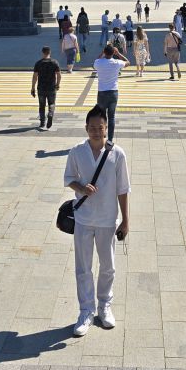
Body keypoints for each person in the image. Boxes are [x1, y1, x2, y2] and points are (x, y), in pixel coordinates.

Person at [64, 105, 130, 337]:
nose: (95, 131)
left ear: (106, 128)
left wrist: (125, 221)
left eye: (99, 127)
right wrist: (81, 188)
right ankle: (86, 311)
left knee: (108, 266)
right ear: (86, 128)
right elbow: (69, 179)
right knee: (83, 267)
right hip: (83, 219)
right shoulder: (77, 151)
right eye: (91, 127)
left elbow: (123, 189)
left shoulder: (117, 154)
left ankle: (104, 305)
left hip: (107, 219)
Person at [93, 42, 128, 142]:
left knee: (102, 117)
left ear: (104, 52)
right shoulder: (117, 63)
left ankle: (102, 136)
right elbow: (128, 62)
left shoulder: (99, 63)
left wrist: (102, 53)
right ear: (113, 53)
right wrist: (118, 54)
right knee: (111, 117)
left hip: (102, 93)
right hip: (113, 93)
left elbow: (95, 61)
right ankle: (110, 139)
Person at [31, 46, 62, 130]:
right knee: (51, 103)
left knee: (41, 105)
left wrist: (33, 88)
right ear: (50, 52)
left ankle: (42, 122)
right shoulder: (54, 62)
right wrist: (57, 84)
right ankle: (50, 114)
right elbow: (59, 75)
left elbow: (35, 77)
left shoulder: (38, 63)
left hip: (41, 88)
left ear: (42, 53)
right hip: (52, 87)